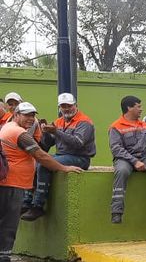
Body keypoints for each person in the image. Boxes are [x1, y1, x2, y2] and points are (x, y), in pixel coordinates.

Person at [1, 102, 86, 262]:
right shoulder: (19, 133)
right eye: (26, 115)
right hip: (12, 183)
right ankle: (3, 259)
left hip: (8, 182)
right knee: (8, 223)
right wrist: (63, 168)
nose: (31, 119)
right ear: (16, 114)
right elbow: (40, 155)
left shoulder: (8, 126)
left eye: (33, 115)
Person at [21, 93, 95, 221]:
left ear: (75, 105)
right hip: (62, 155)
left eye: (69, 105)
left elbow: (78, 143)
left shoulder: (84, 122)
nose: (66, 108)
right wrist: (45, 132)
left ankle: (38, 205)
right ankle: (26, 202)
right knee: (35, 161)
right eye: (63, 106)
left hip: (80, 157)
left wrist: (55, 131)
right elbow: (47, 145)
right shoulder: (59, 121)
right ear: (59, 107)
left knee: (45, 164)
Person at [109, 95, 146, 223]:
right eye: (138, 106)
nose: (141, 109)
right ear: (129, 108)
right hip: (124, 159)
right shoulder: (116, 126)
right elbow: (116, 149)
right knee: (121, 171)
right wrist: (134, 161)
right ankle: (116, 211)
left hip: (144, 156)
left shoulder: (144, 125)